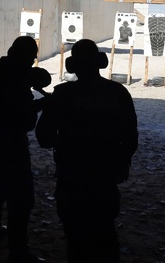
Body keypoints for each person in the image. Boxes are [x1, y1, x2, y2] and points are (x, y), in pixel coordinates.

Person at [35, 39, 138, 263]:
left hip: (72, 172)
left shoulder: (63, 94)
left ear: (74, 66)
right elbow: (131, 134)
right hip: (105, 171)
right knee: (105, 231)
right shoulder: (118, 91)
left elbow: (44, 137)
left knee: (76, 235)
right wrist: (122, 161)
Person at [0, 36, 49, 263]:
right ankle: (18, 251)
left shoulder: (6, 67)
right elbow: (22, 112)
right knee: (21, 197)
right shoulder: (13, 73)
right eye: (31, 58)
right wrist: (43, 103)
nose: (32, 62)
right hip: (9, 140)